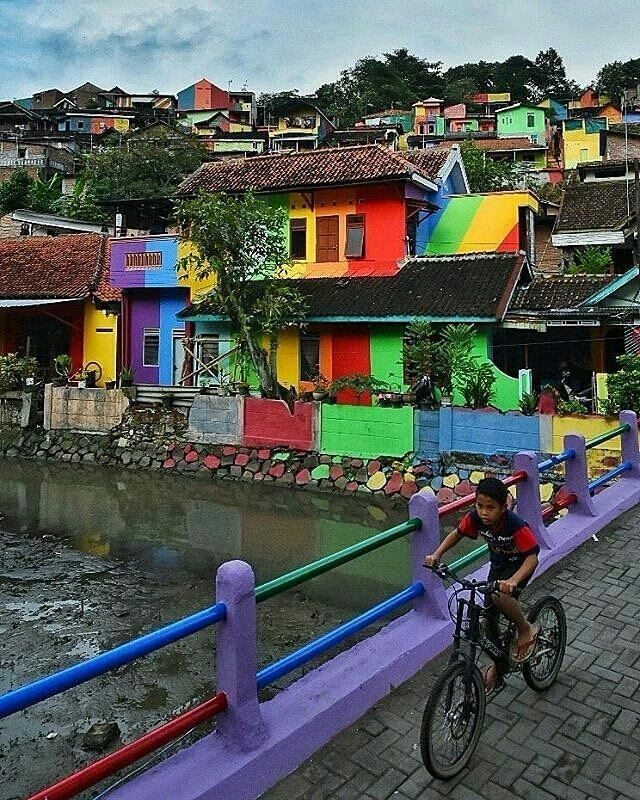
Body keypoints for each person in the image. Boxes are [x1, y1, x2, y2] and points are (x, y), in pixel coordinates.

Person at [424, 476, 540, 693]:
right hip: (497, 567)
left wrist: (514, 581)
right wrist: (437, 555)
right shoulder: (475, 518)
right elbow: (457, 534)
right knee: (489, 621)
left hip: (519, 567)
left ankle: (525, 628)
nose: (484, 512)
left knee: (500, 596)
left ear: (504, 507)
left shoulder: (515, 525)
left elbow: (532, 557)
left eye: (491, 507)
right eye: (480, 506)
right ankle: (500, 664)